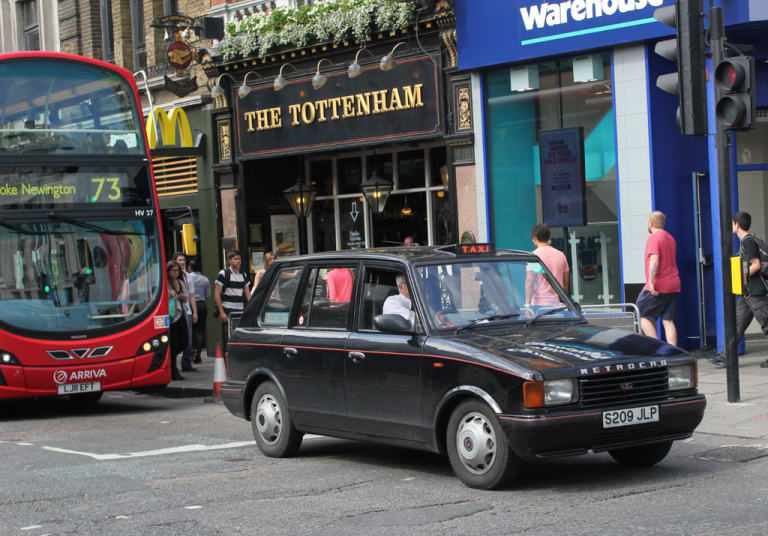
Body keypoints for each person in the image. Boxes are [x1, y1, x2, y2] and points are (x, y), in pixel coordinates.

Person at [710, 212, 768, 369]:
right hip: (747, 293)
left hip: (755, 292)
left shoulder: (748, 241)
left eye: (731, 224)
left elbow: (755, 264)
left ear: (736, 224)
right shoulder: (745, 241)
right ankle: (726, 357)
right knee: (736, 324)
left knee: (766, 323)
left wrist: (742, 277)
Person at [636, 211, 681, 346]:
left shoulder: (654, 238)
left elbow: (655, 261)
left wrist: (650, 282)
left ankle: (657, 349)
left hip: (659, 284)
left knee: (641, 313)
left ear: (651, 223)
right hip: (674, 284)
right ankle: (673, 351)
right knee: (668, 320)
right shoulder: (670, 238)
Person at [525, 223, 569, 306]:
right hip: (557, 304)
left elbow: (530, 281)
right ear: (548, 237)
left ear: (535, 238)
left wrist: (527, 304)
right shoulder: (560, 255)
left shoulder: (534, 257)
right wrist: (562, 298)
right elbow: (565, 281)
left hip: (539, 305)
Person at [215, 251, 251, 351]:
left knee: (239, 336)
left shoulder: (243, 274)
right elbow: (217, 293)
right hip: (228, 310)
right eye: (235, 259)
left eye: (239, 259)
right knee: (229, 336)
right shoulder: (224, 273)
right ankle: (228, 359)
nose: (238, 261)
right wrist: (222, 312)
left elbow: (248, 295)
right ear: (229, 261)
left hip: (240, 310)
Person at [174, 252, 198, 372]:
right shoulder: (171, 277)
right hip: (175, 312)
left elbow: (192, 295)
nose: (182, 262)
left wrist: (195, 312)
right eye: (179, 260)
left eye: (183, 260)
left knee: (188, 338)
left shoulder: (189, 277)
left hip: (187, 311)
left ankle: (186, 362)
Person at [166, 261, 188, 381]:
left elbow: (187, 297)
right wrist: (168, 294)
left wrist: (183, 297)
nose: (176, 272)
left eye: (177, 270)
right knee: (173, 344)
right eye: (173, 270)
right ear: (168, 271)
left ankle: (173, 366)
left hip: (181, 314)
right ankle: (173, 370)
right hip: (171, 317)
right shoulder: (164, 283)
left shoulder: (180, 282)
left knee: (184, 341)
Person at [187, 257, 210, 364]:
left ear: (189, 268)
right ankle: (199, 354)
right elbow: (208, 295)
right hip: (201, 305)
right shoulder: (205, 279)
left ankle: (191, 352)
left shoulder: (187, 278)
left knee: (190, 329)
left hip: (190, 305)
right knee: (200, 330)